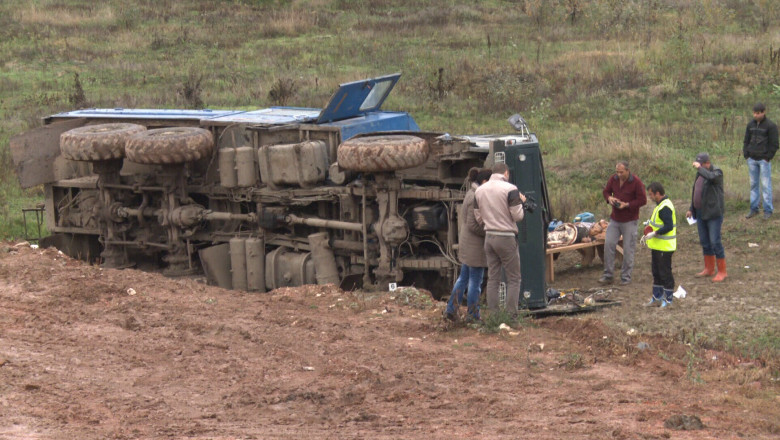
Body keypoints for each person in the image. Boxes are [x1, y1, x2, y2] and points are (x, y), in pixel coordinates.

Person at [473, 163, 527, 318]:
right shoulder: (510, 189)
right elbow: (518, 216)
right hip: (506, 237)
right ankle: (511, 316)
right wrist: (522, 203)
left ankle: (494, 316)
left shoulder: (479, 190)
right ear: (506, 173)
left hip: (489, 237)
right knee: (514, 278)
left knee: (493, 279)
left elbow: (478, 217)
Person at [445, 168, 493, 322]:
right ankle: (473, 315)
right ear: (484, 182)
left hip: (468, 245)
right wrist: (490, 231)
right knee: (475, 282)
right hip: (475, 247)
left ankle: (451, 309)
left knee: (463, 278)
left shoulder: (471, 193)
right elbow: (473, 224)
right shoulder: (476, 197)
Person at [600, 161, 647, 285]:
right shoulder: (613, 179)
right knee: (608, 244)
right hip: (615, 219)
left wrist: (627, 205)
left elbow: (643, 200)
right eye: (617, 172)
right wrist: (609, 198)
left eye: (621, 172)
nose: (619, 174)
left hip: (630, 220)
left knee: (628, 249)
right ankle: (608, 275)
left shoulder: (636, 182)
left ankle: (626, 277)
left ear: (627, 170)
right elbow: (606, 191)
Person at [686, 153, 727, 282]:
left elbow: (710, 177)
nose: (698, 167)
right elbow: (696, 192)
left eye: (701, 164)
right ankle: (709, 268)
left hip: (713, 213)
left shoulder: (717, 172)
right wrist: (691, 208)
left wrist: (699, 168)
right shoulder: (700, 174)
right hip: (700, 213)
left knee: (715, 241)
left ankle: (722, 271)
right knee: (705, 241)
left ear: (707, 163)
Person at [640, 182, 676, 308]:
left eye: (651, 194)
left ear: (657, 193)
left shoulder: (665, 207)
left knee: (665, 273)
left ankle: (668, 299)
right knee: (656, 272)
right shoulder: (660, 205)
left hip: (664, 247)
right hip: (657, 246)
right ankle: (657, 297)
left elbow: (668, 226)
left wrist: (654, 233)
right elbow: (657, 223)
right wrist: (648, 231)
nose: (650, 197)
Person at [743, 102, 779, 219]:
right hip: (751, 159)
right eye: (754, 113)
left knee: (765, 185)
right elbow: (746, 140)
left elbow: (774, 144)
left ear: (764, 112)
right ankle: (754, 209)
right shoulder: (750, 125)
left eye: (758, 113)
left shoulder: (771, 126)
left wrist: (767, 157)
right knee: (753, 185)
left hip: (764, 160)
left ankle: (768, 210)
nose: (755, 115)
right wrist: (746, 154)